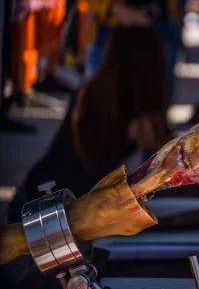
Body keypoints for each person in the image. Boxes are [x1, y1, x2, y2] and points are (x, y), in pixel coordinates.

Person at [12, 28, 170, 212]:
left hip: (37, 196)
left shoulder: (93, 90)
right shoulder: (135, 113)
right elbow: (164, 158)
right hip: (48, 209)